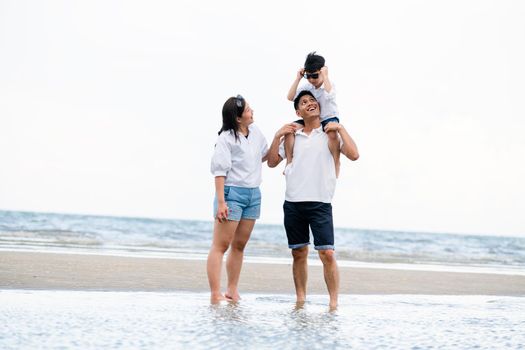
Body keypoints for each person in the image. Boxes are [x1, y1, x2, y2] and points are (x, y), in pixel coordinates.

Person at [267, 90, 359, 309]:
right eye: (304, 102)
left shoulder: (330, 134)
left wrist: (341, 128)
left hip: (320, 202)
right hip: (293, 202)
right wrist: (277, 135)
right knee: (299, 252)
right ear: (298, 111)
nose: (310, 103)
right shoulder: (292, 135)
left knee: (327, 253)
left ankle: (333, 303)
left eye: (312, 100)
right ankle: (300, 299)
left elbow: (354, 154)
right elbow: (271, 162)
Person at [207, 95, 268, 304]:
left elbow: (265, 155)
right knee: (220, 246)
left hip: (253, 194)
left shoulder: (256, 132)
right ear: (238, 117)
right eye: (248, 109)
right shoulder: (226, 138)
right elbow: (219, 172)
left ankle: (232, 289)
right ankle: (215, 293)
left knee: (240, 245)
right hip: (232, 193)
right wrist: (221, 202)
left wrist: (281, 136)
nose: (252, 111)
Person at [285, 51, 342, 175]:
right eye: (308, 76)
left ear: (322, 71)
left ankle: (336, 162)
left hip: (329, 118)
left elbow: (330, 95)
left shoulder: (329, 84)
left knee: (332, 133)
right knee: (290, 129)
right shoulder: (308, 87)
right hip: (312, 120)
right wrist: (298, 78)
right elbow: (290, 97)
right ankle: (289, 161)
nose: (311, 79)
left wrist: (325, 76)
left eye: (315, 76)